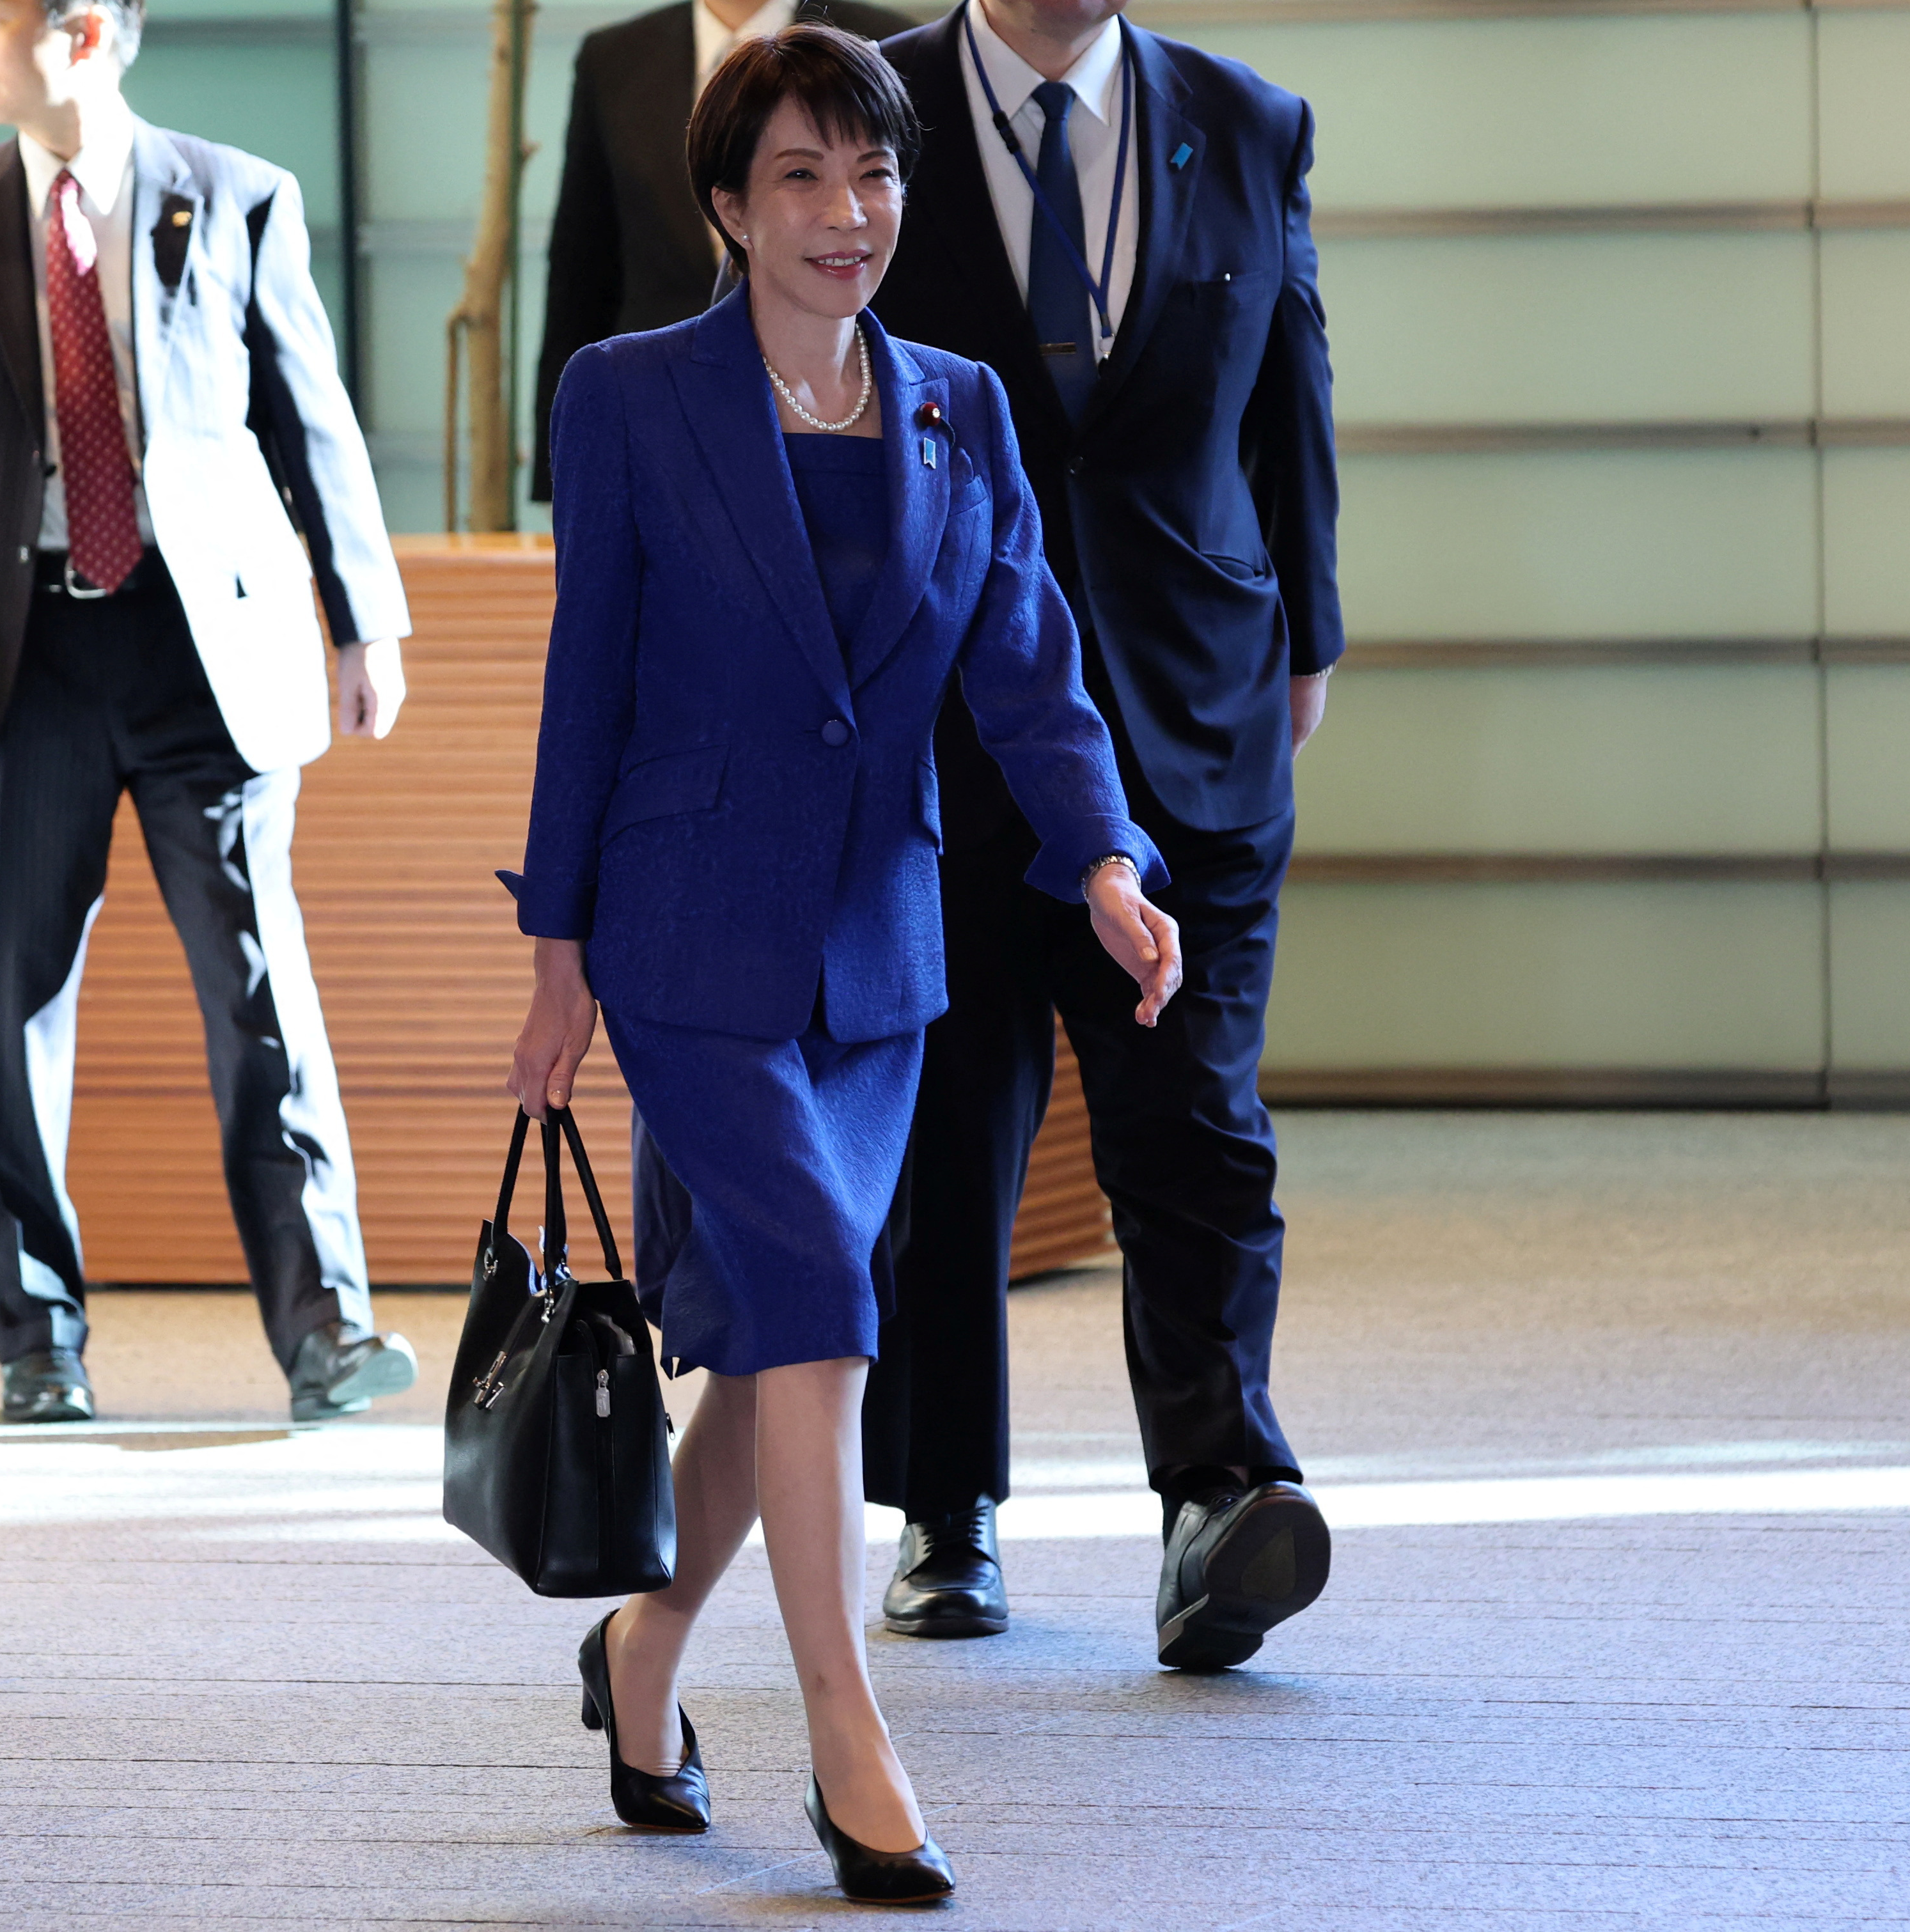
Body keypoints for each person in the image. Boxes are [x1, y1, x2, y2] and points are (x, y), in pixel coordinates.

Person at [506, 24, 1180, 1903]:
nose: (845, 211)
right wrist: (554, 947)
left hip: (881, 953)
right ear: (725, 208)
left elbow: (1028, 663)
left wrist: (1105, 856)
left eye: (871, 173)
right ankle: (846, 1734)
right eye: (798, 176)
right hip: (689, 933)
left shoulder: (958, 402)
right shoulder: (633, 394)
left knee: (768, 1352)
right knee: (816, 1297)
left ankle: (641, 1651)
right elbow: (586, 690)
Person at [0, 0, 420, 1427]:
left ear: (88, 31)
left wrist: (363, 615)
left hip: (199, 648)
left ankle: (327, 1324)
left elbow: (310, 413)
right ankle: (37, 1338)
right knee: (12, 1006)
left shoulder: (236, 196)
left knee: (258, 986)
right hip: (11, 657)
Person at [859, 0, 1343, 1667]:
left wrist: (1309, 641)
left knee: (1197, 1120)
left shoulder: (1248, 118)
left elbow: (1289, 385)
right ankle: (944, 1508)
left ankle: (1218, 1494)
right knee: (941, 1133)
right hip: (937, 726)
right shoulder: (874, 107)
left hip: (1194, 712)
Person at [530, 0, 908, 505]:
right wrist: (562, 476)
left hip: (865, 409)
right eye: (800, 174)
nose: (845, 211)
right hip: (659, 425)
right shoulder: (615, 56)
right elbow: (582, 268)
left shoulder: (889, 44)